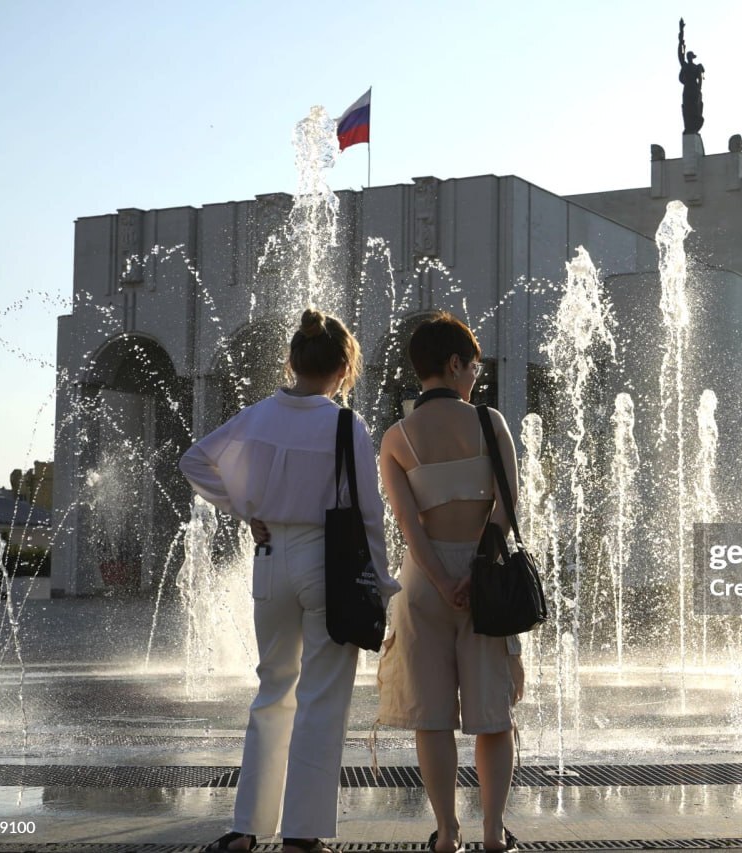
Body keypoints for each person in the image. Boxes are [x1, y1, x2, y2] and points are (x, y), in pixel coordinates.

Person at [181, 308, 399, 853]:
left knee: (272, 690)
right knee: (322, 698)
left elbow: (195, 460)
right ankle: (304, 834)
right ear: (345, 366)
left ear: (294, 361)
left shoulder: (257, 416)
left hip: (270, 554)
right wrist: (383, 582)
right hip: (329, 564)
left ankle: (247, 826)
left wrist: (242, 509)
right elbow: (369, 512)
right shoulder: (346, 425)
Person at [375, 311, 525, 853]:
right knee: (492, 718)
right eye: (473, 366)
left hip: (422, 584)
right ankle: (491, 832)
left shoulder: (396, 436)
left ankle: (447, 832)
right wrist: (472, 572)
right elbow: (507, 510)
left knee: (432, 717)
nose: (475, 377)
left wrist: (440, 579)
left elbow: (407, 524)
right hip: (485, 581)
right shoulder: (490, 423)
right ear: (455, 363)